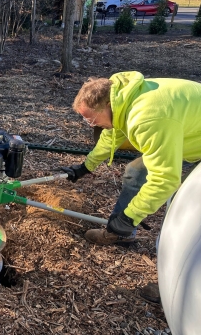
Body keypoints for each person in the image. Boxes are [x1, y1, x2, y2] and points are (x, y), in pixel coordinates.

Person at [61, 71, 201, 303]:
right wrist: (85, 167)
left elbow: (165, 177)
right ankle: (121, 234)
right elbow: (110, 137)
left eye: (90, 119)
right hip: (188, 134)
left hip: (190, 139)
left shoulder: (146, 118)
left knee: (186, 218)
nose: (90, 125)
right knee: (136, 171)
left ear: (105, 105)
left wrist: (131, 215)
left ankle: (178, 291)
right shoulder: (122, 99)